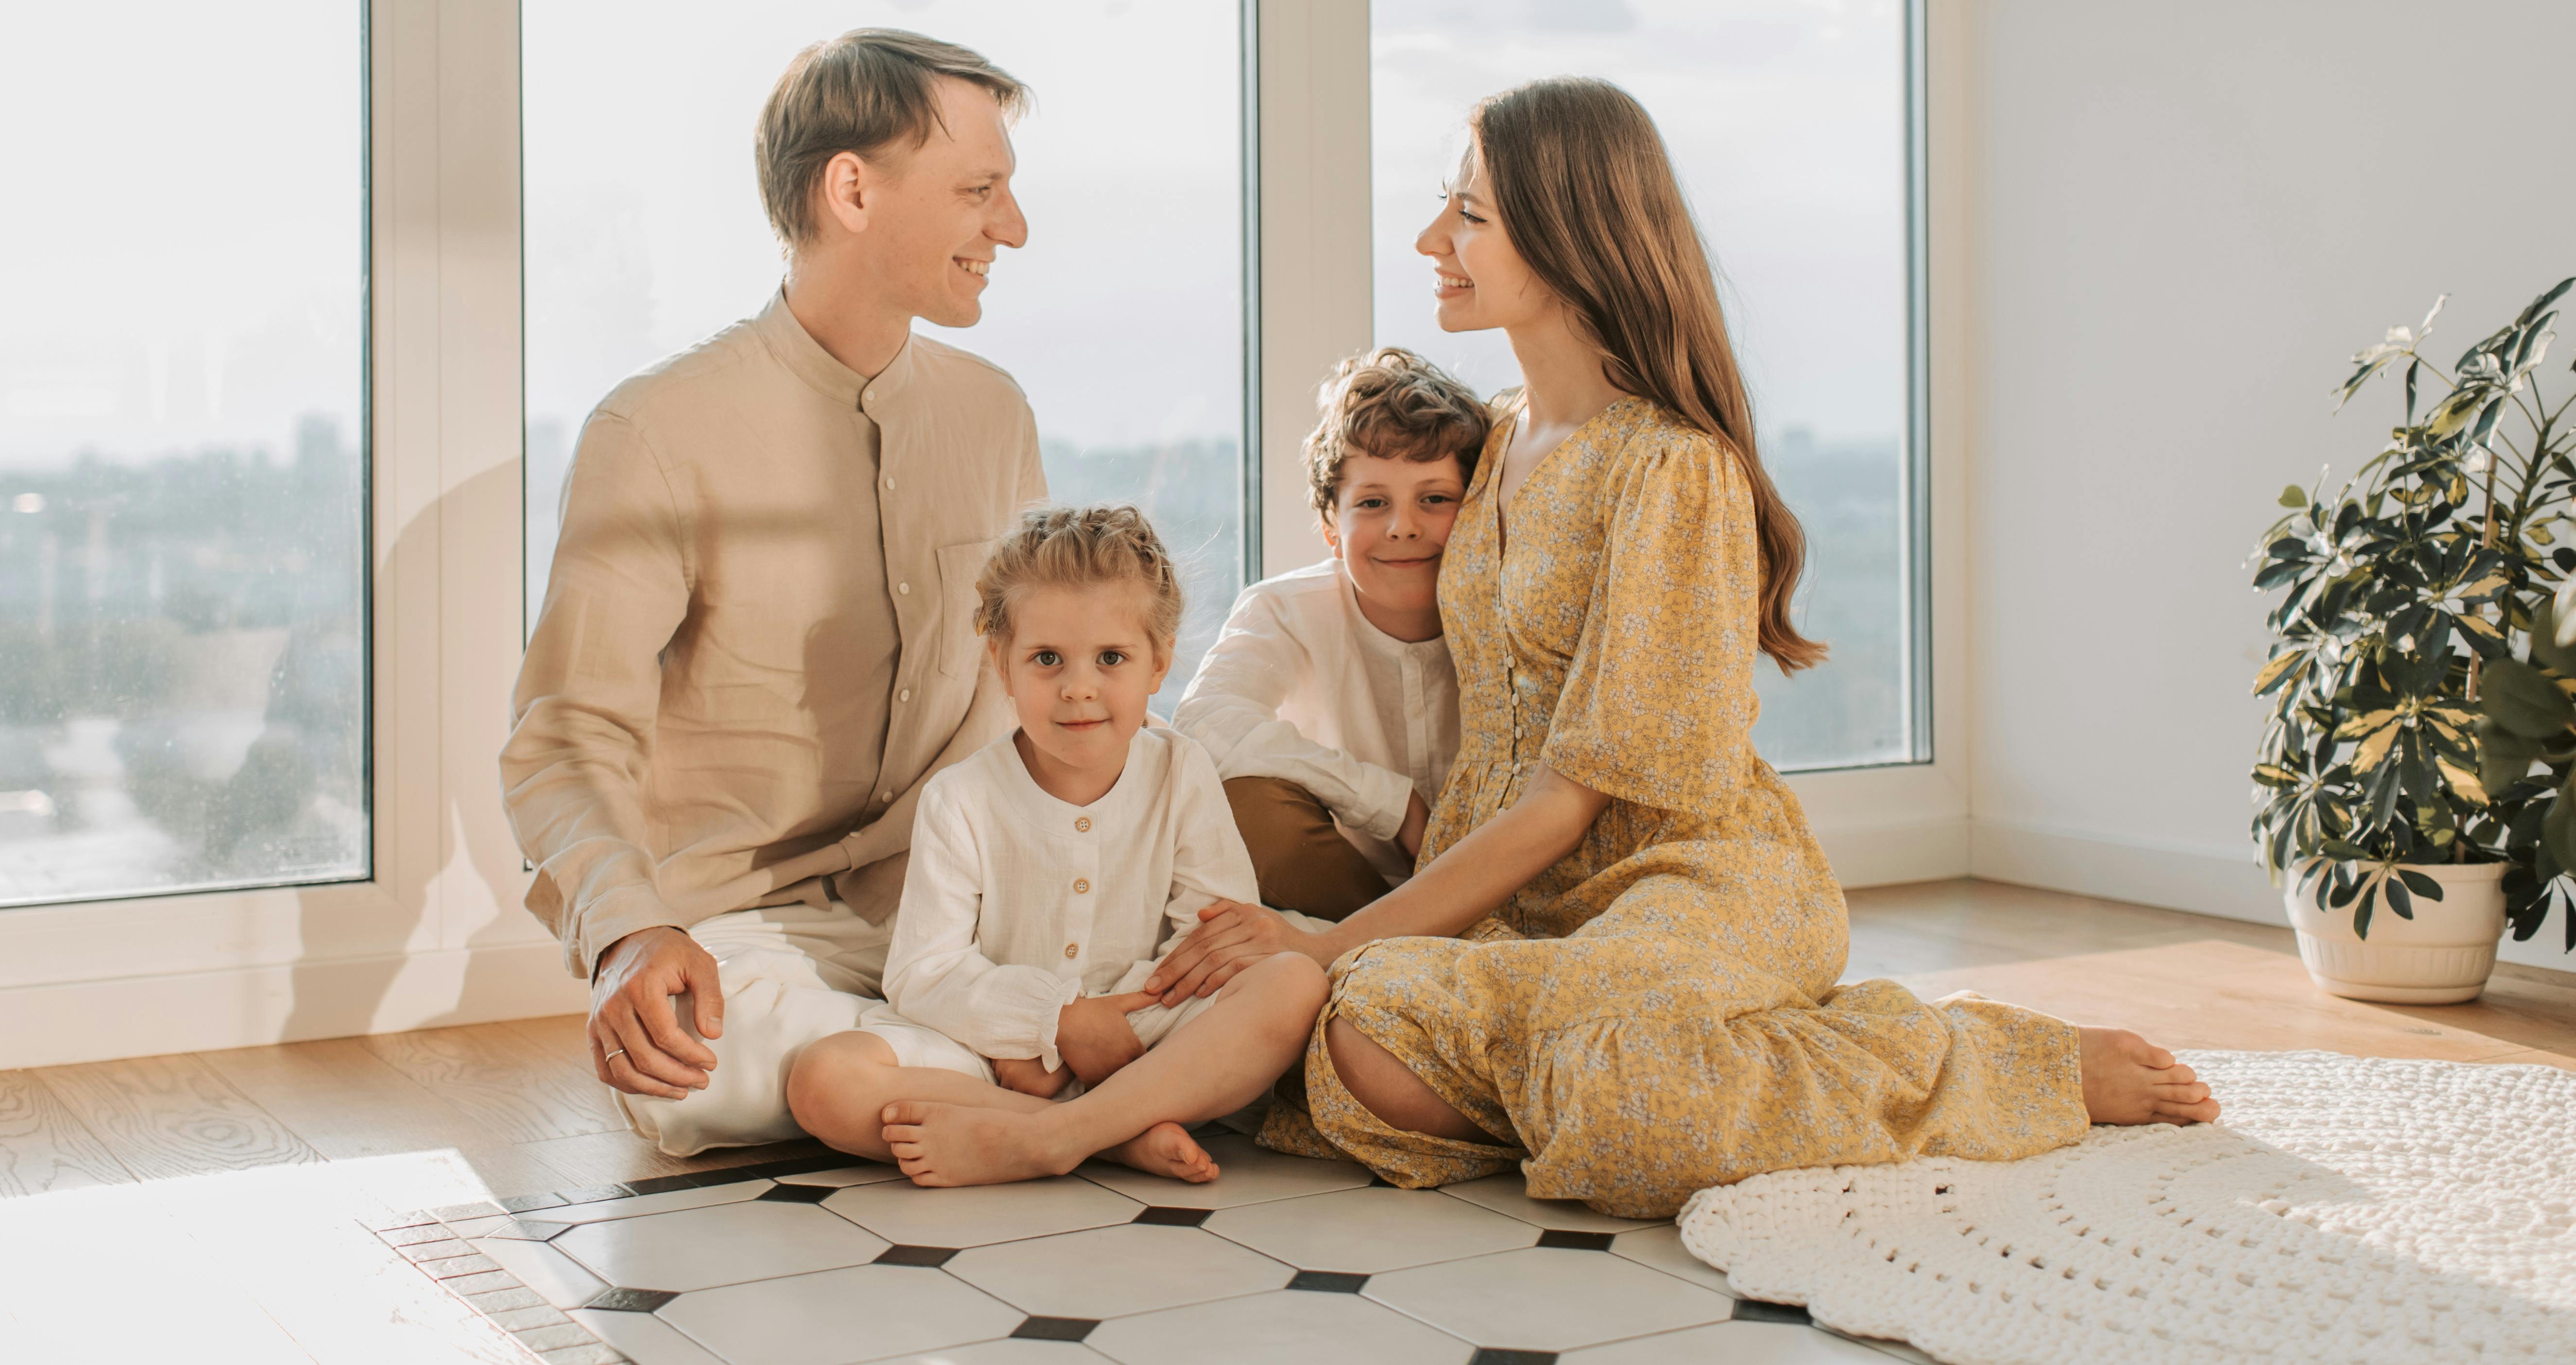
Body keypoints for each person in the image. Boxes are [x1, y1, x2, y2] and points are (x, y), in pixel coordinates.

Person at [1144, 77, 2218, 1219]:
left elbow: (1569, 802)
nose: (1431, 241)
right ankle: (1666, 1063)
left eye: (1469, 215)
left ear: (1566, 236)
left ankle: (1993, 1062)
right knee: (1367, 1037)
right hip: (1529, 906)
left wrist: (1321, 944)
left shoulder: (1672, 467)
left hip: (1693, 878)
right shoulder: (1494, 437)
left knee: (1603, 1089)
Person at [500, 28, 1044, 1155]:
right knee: (694, 1064)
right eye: (979, 191)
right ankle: (1055, 1080)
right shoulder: (654, 431)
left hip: (954, 908)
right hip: (733, 930)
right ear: (852, 189)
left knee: (1231, 974)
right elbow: (565, 734)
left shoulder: (994, 414)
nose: (1012, 228)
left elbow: (1039, 686)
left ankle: (958, 1081)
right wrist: (629, 934)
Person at [785, 505, 1329, 1187]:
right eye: (1047, 659)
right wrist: (1051, 1021)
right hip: (996, 1060)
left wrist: (1103, 1028)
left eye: (1111, 658)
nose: (1078, 687)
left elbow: (1210, 940)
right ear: (1002, 665)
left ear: (1158, 664)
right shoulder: (960, 798)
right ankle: (1111, 1138)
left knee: (1291, 981)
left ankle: (1056, 1134)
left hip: (1148, 1037)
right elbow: (924, 973)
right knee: (825, 1078)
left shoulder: (1181, 769)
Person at [1171, 346, 1492, 919]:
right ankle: (1390, 953)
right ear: (1329, 527)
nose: (1403, 527)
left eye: (1435, 499)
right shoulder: (1286, 610)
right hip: (1345, 895)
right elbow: (1204, 725)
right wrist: (1391, 805)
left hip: (1493, 881)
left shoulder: (1515, 617)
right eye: (1372, 502)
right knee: (1242, 799)